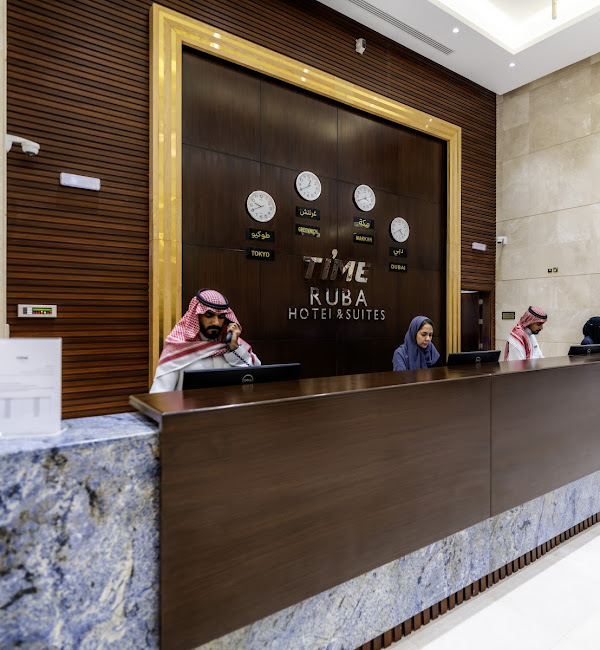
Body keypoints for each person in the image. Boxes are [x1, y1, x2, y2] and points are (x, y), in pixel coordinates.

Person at [150, 288, 260, 393]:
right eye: (209, 315)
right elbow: (160, 394)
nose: (216, 322)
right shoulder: (178, 347)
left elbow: (253, 377)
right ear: (197, 316)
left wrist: (235, 348)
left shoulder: (231, 343)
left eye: (221, 317)